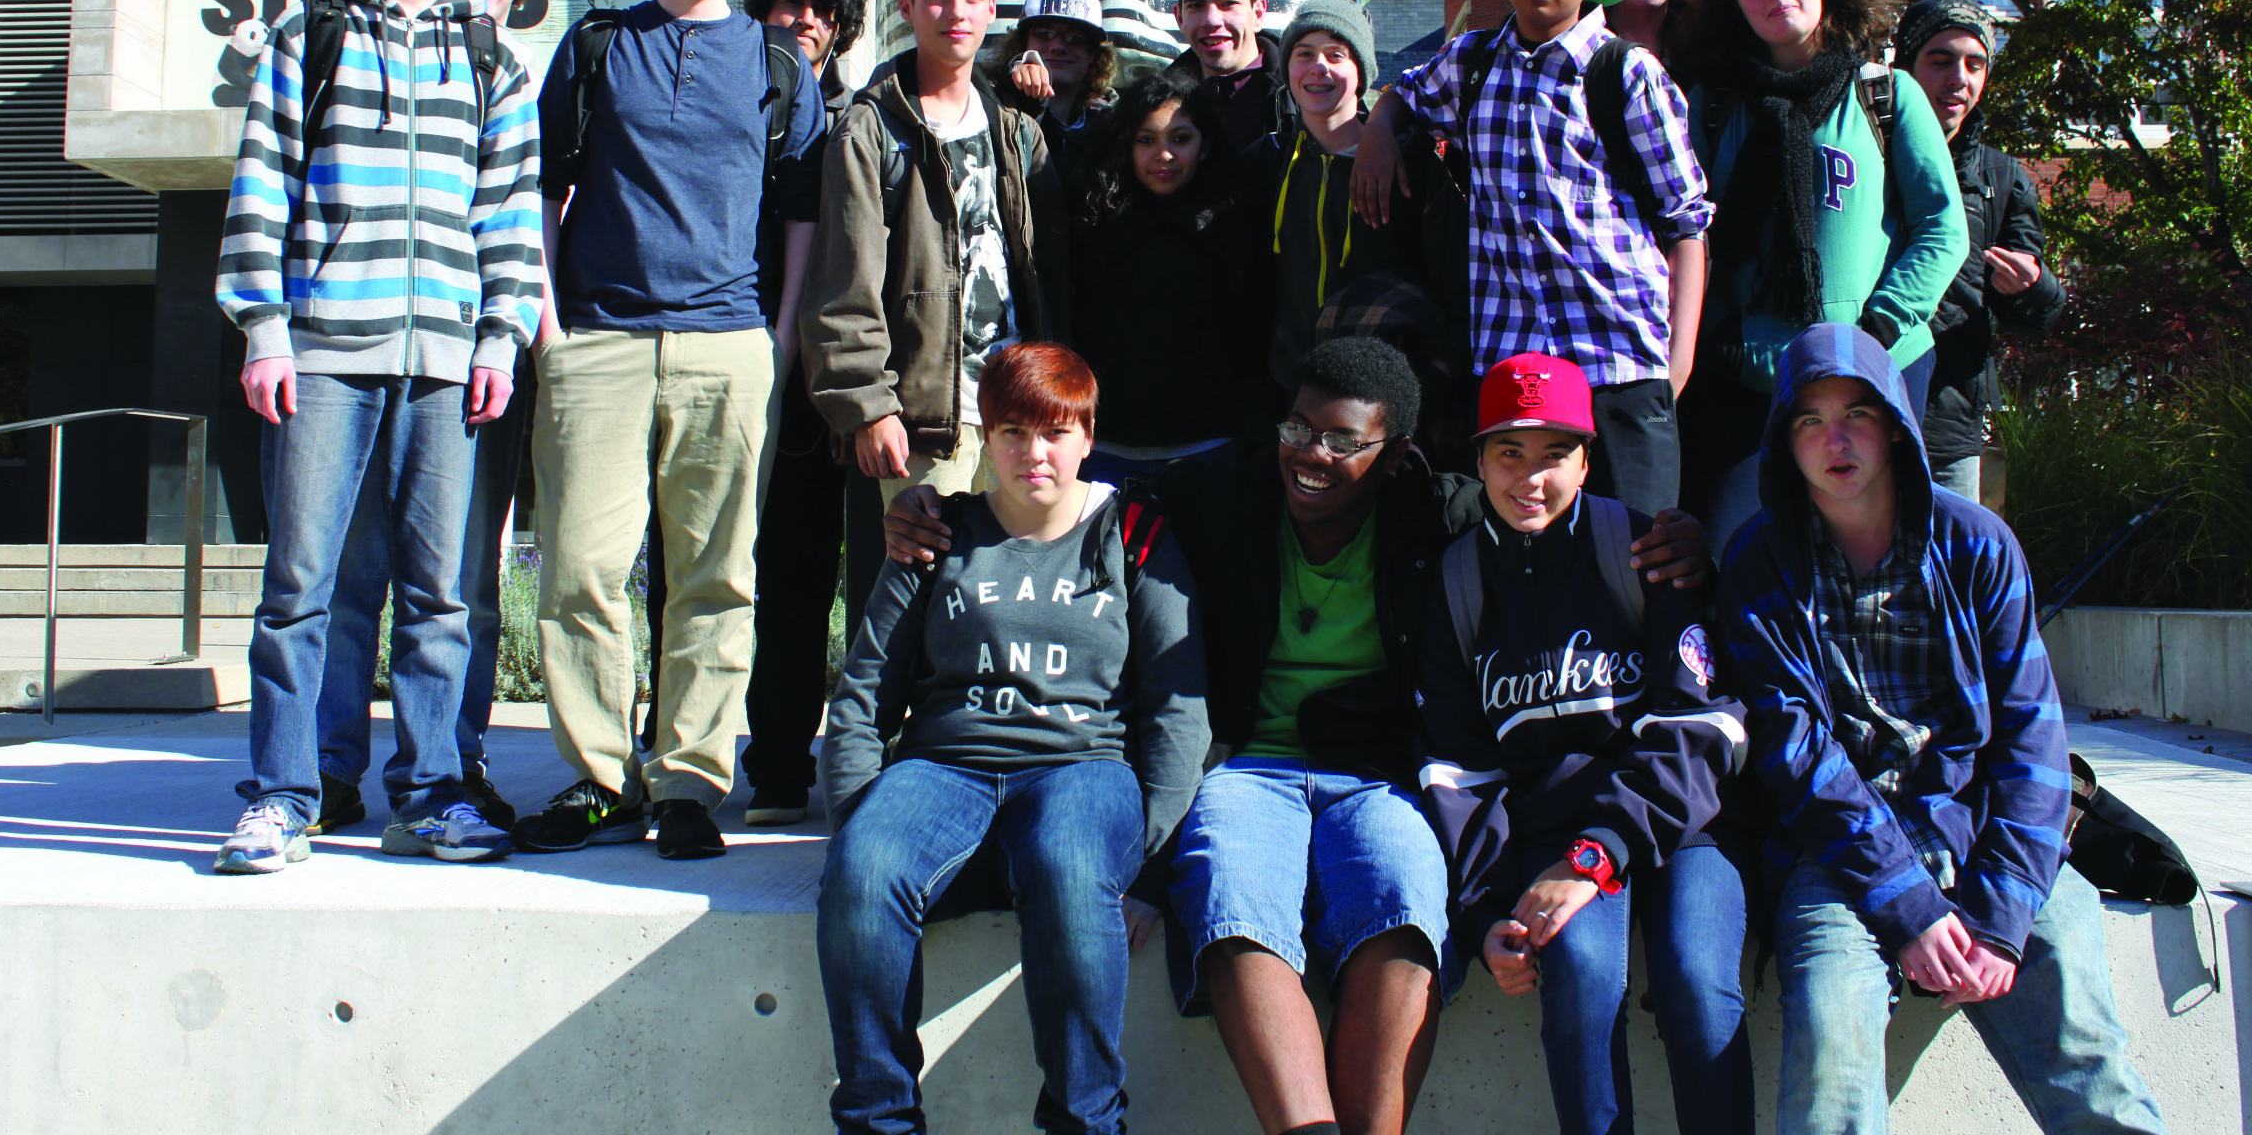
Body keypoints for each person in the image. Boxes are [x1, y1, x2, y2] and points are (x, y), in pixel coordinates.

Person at [883, 338, 1714, 1135]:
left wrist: (1671, 534)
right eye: (1298, 430)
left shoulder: (1435, 509)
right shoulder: (1223, 497)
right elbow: (1074, 484)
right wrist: (941, 509)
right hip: (1246, 768)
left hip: (1380, 775)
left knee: (1403, 903)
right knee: (1236, 906)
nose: (1309, 455)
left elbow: (1541, 509)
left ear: (1394, 454)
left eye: (1342, 441)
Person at [1718, 323, 2166, 1135]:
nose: (1835, 439)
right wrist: (1909, 907)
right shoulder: (1758, 566)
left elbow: (2032, 739)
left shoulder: (1977, 545)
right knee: (1830, 1063)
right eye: (1808, 421)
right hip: (1842, 858)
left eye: (1856, 412)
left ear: (1894, 421)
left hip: (1982, 829)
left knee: (2091, 1066)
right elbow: (1802, 763)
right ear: (1784, 442)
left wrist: (1997, 919)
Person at [211, 0, 541, 873]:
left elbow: (509, 209)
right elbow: (262, 183)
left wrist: (499, 339)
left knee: (442, 590)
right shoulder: (310, 32)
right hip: (323, 351)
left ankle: (435, 790)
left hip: (447, 359)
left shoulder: (490, 52)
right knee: (302, 584)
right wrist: (263, 326)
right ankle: (282, 792)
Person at [515, 0, 826, 861]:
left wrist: (777, 333)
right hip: (599, 340)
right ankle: (603, 777)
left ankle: (690, 779)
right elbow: (548, 190)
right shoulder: (598, 42)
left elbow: (802, 212)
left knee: (716, 576)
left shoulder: (780, 63)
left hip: (727, 344)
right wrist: (551, 325)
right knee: (579, 571)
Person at [818, 342, 1207, 1135]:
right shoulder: (934, 532)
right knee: (861, 873)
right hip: (944, 768)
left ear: (1088, 436)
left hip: (1079, 768)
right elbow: (863, 693)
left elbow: (1177, 706)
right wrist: (859, 817)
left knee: (1069, 870)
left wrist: (1150, 863)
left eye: (1056, 433)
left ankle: (1085, 1117)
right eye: (1013, 433)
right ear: (986, 438)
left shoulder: (1131, 532)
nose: (1035, 454)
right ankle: (879, 1118)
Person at [1419, 354, 1754, 1135]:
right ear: (1476, 460)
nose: (1530, 478)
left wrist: (1595, 855)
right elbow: (1456, 767)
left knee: (1697, 980)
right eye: (1509, 452)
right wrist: (1481, 912)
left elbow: (1704, 728)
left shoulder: (1641, 549)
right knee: (1580, 968)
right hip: (1556, 835)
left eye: (1554, 454)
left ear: (1588, 459)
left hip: (1682, 827)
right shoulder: (1458, 582)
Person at [1352, 0, 1712, 520]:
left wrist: (1676, 363)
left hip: (1621, 361)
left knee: (1637, 555)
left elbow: (1686, 226)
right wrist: (1379, 129)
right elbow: (1403, 97)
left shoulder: (1626, 74)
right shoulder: (1470, 62)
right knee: (1525, 555)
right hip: (1511, 365)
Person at [311, 0, 541, 835]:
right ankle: (328, 771)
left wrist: (510, 332)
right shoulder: (338, 36)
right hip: (352, 345)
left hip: (480, 354)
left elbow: (523, 220)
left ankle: (453, 761)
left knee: (461, 582)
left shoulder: (521, 72)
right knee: (347, 571)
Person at [1677, 0, 1965, 553]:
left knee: (1868, 561)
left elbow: (1943, 227)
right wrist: (1721, 334)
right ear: (1736, 1)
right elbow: (1686, 234)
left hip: (1874, 368)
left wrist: (1878, 331)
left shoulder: (1886, 96)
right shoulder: (1714, 105)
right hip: (1746, 378)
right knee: (1735, 556)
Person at [800, 0, 1068, 511]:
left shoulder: (1017, 131)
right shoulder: (870, 130)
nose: (956, 12)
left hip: (1021, 412)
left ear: (991, 8)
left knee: (1006, 596)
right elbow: (844, 281)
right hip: (922, 420)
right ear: (908, 8)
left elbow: (1055, 269)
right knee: (924, 590)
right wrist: (868, 406)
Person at [733, 0, 872, 827]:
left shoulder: (862, 116)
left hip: (822, 398)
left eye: (821, 9)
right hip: (727, 355)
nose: (804, 19)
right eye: (789, 3)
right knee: (698, 576)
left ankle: (789, 764)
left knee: (802, 581)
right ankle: (694, 756)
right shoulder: (733, 96)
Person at [1894, 0, 2064, 501]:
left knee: (1956, 572)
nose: (1959, 79)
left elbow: (2041, 314)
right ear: (1905, 66)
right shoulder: (1866, 158)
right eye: (1940, 61)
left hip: (1952, 424)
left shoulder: (2003, 177)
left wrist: (2032, 288)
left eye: (1975, 64)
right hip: (1865, 412)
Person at [1066, 72, 1262, 487]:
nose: (1164, 154)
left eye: (1180, 138)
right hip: (1104, 451)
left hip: (1209, 450)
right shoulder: (1090, 224)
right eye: (1146, 139)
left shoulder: (1235, 223)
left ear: (1205, 146)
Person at [1246, 0, 1424, 413]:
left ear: (1361, 72)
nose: (1318, 67)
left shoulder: (1404, 161)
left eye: (1336, 54)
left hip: (1378, 398)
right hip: (1288, 390)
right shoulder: (1264, 162)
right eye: (1304, 53)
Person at [1164, 0, 1292, 147]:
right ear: (1180, 18)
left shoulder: (1302, 93)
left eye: (1228, 4)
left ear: (1258, 13)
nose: (1212, 20)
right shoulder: (1158, 105)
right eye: (1196, 6)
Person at [993, 0, 1120, 171]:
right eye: (1044, 33)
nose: (1058, 46)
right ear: (1022, 45)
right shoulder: (991, 109)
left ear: (1093, 54)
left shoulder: (1116, 124)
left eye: (1075, 38)